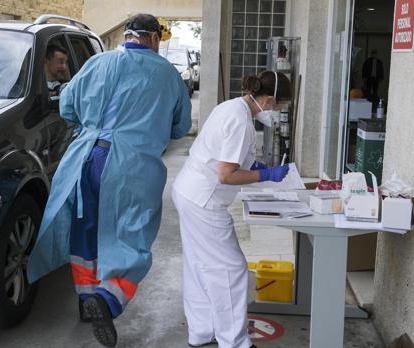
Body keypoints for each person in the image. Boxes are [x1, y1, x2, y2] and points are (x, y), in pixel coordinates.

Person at [27, 13, 191, 348]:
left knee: (85, 229)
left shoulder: (97, 63)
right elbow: (179, 127)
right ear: (153, 39)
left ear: (127, 36)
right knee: (133, 235)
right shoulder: (167, 74)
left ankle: (86, 297)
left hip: (86, 159)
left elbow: (68, 109)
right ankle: (109, 297)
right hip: (133, 166)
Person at [172, 70, 291, 348]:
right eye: (280, 106)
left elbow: (224, 156)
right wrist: (265, 176)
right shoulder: (241, 121)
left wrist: (254, 167)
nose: (278, 112)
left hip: (189, 191)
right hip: (204, 200)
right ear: (269, 99)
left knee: (200, 265)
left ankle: (202, 332)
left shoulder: (232, 107)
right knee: (231, 268)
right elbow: (225, 174)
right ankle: (235, 342)